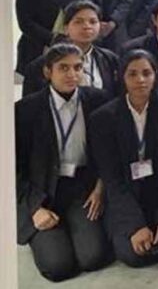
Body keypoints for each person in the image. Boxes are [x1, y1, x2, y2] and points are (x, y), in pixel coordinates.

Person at [15, 44, 111, 281]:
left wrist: (100, 188)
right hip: (43, 190)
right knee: (58, 267)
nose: (72, 74)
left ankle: (75, 226)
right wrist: (34, 208)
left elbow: (109, 154)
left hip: (82, 187)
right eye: (63, 68)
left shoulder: (97, 100)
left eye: (78, 67)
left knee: (93, 257)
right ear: (48, 72)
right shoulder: (26, 110)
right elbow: (14, 168)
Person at [89, 50, 158, 267]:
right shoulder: (103, 118)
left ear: (155, 76)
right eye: (132, 74)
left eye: (146, 73)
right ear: (121, 77)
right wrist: (135, 226)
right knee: (134, 255)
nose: (140, 80)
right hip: (126, 195)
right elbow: (112, 179)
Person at [23, 0, 120, 97]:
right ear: (66, 28)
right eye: (78, 22)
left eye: (93, 22)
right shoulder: (40, 65)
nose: (87, 26)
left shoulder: (110, 60)